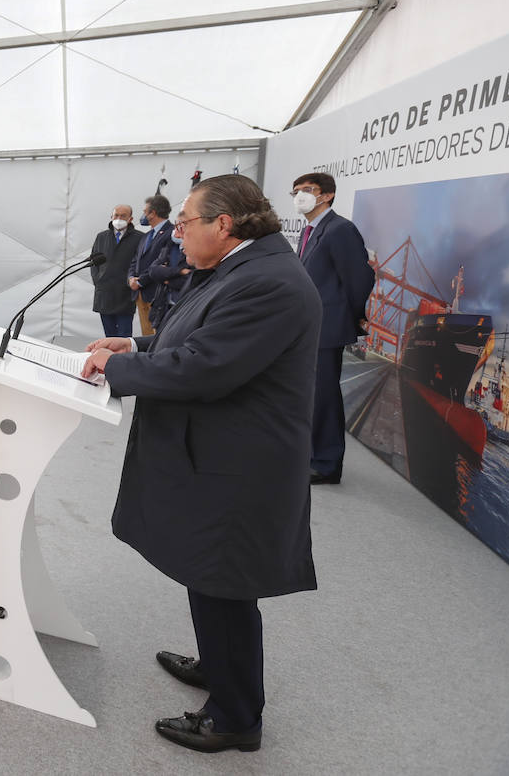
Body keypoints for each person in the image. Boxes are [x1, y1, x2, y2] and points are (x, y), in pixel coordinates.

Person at [81, 175, 319, 754]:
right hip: (221, 456)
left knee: (225, 583)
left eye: (186, 223)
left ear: (224, 225)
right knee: (209, 575)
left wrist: (114, 372)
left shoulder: (267, 282)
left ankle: (236, 719)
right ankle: (218, 664)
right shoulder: (243, 268)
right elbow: (193, 337)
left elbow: (203, 368)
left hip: (240, 467)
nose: (177, 233)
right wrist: (135, 348)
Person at [292, 171, 375, 485]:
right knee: (311, 395)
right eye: (296, 191)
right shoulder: (309, 231)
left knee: (324, 396)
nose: (300, 195)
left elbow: (360, 278)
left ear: (326, 195)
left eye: (307, 189)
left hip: (328, 327)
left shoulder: (340, 229)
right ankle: (311, 455)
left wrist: (350, 316)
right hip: (310, 327)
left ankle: (326, 463)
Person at [90, 205, 141, 337]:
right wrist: (98, 281)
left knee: (124, 335)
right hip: (105, 294)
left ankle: (122, 358)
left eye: (123, 216)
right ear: (111, 217)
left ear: (131, 219)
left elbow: (140, 264)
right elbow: (93, 263)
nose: (119, 219)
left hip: (125, 295)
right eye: (116, 215)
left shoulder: (139, 238)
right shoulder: (102, 237)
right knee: (109, 335)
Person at [128, 194, 174, 336]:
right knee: (146, 334)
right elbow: (136, 260)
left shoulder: (171, 233)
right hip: (141, 295)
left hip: (157, 294)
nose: (143, 215)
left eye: (144, 211)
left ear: (152, 213)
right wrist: (131, 278)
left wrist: (141, 281)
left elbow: (162, 262)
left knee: (158, 336)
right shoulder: (146, 236)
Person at [146, 229, 191, 330]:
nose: (177, 231)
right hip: (163, 306)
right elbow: (153, 271)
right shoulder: (169, 247)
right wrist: (179, 271)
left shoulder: (195, 250)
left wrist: (167, 280)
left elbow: (191, 279)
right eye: (176, 226)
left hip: (183, 306)